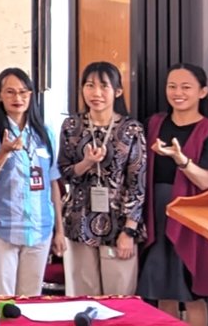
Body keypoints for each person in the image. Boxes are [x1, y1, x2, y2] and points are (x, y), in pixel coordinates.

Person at [138, 64, 208, 324]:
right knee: (162, 290)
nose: (178, 92)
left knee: (193, 294)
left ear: (203, 92)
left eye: (186, 87)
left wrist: (181, 159)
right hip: (156, 215)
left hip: (192, 220)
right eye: (172, 86)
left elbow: (206, 179)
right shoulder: (153, 124)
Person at [58, 61, 147, 295]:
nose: (96, 93)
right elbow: (64, 171)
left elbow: (137, 184)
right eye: (89, 85)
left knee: (119, 300)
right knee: (82, 298)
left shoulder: (131, 129)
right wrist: (86, 163)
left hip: (118, 224)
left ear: (117, 91)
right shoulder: (71, 125)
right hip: (79, 220)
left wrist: (129, 231)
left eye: (103, 86)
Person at [0, 68, 63, 297]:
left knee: (31, 299)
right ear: (0, 96)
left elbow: (52, 182)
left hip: (40, 227)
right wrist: (3, 152)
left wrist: (59, 231)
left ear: (31, 95)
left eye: (23, 92)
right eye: (10, 92)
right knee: (3, 299)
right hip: (1, 225)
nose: (18, 98)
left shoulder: (45, 132)